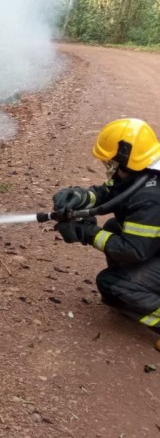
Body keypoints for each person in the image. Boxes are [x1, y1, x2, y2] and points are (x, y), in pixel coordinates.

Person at [52, 118, 160, 337]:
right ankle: (139, 293)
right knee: (113, 226)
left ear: (125, 160)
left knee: (112, 285)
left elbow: (133, 250)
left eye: (110, 162)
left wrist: (87, 233)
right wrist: (81, 197)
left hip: (144, 249)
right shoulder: (142, 173)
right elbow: (111, 192)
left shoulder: (151, 197)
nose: (108, 166)